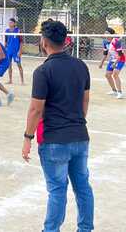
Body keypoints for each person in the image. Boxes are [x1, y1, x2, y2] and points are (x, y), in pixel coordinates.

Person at [22, 20, 94, 232]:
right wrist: (77, 121)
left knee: (57, 190)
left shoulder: (43, 71)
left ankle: (51, 230)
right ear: (65, 41)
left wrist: (27, 137)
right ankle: (85, 228)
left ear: (44, 42)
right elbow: (85, 100)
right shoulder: (81, 66)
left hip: (54, 140)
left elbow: (36, 110)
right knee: (82, 187)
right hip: (80, 135)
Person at [99, 27, 123, 98]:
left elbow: (120, 54)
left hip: (120, 59)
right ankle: (114, 90)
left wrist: (115, 64)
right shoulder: (105, 42)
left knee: (115, 74)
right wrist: (101, 63)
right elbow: (105, 54)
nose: (105, 34)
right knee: (107, 75)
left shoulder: (116, 41)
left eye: (107, 33)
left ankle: (120, 92)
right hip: (113, 59)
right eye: (105, 33)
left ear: (112, 34)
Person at [5, 18, 24, 85]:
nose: (10, 24)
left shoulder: (18, 31)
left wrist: (20, 51)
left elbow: (21, 42)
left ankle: (22, 81)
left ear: (14, 23)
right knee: (9, 65)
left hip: (16, 51)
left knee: (19, 65)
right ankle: (10, 80)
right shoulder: (6, 31)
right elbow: (6, 41)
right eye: (9, 22)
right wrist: (5, 49)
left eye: (11, 22)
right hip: (9, 51)